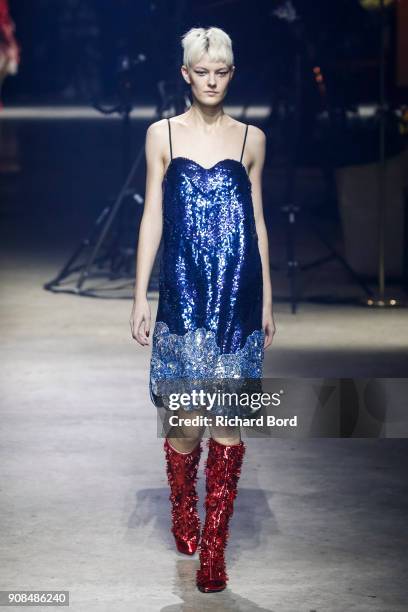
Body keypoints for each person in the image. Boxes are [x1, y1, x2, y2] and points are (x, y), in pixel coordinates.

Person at [130, 26, 276, 593]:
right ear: (185, 75)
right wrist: (139, 294)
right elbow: (151, 217)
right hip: (185, 297)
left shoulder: (251, 140)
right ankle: (182, 510)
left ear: (231, 75)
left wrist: (266, 298)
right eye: (202, 71)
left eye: (221, 72)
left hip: (238, 294)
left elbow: (258, 222)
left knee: (230, 421)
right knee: (186, 423)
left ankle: (214, 549)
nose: (212, 81)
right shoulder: (161, 135)